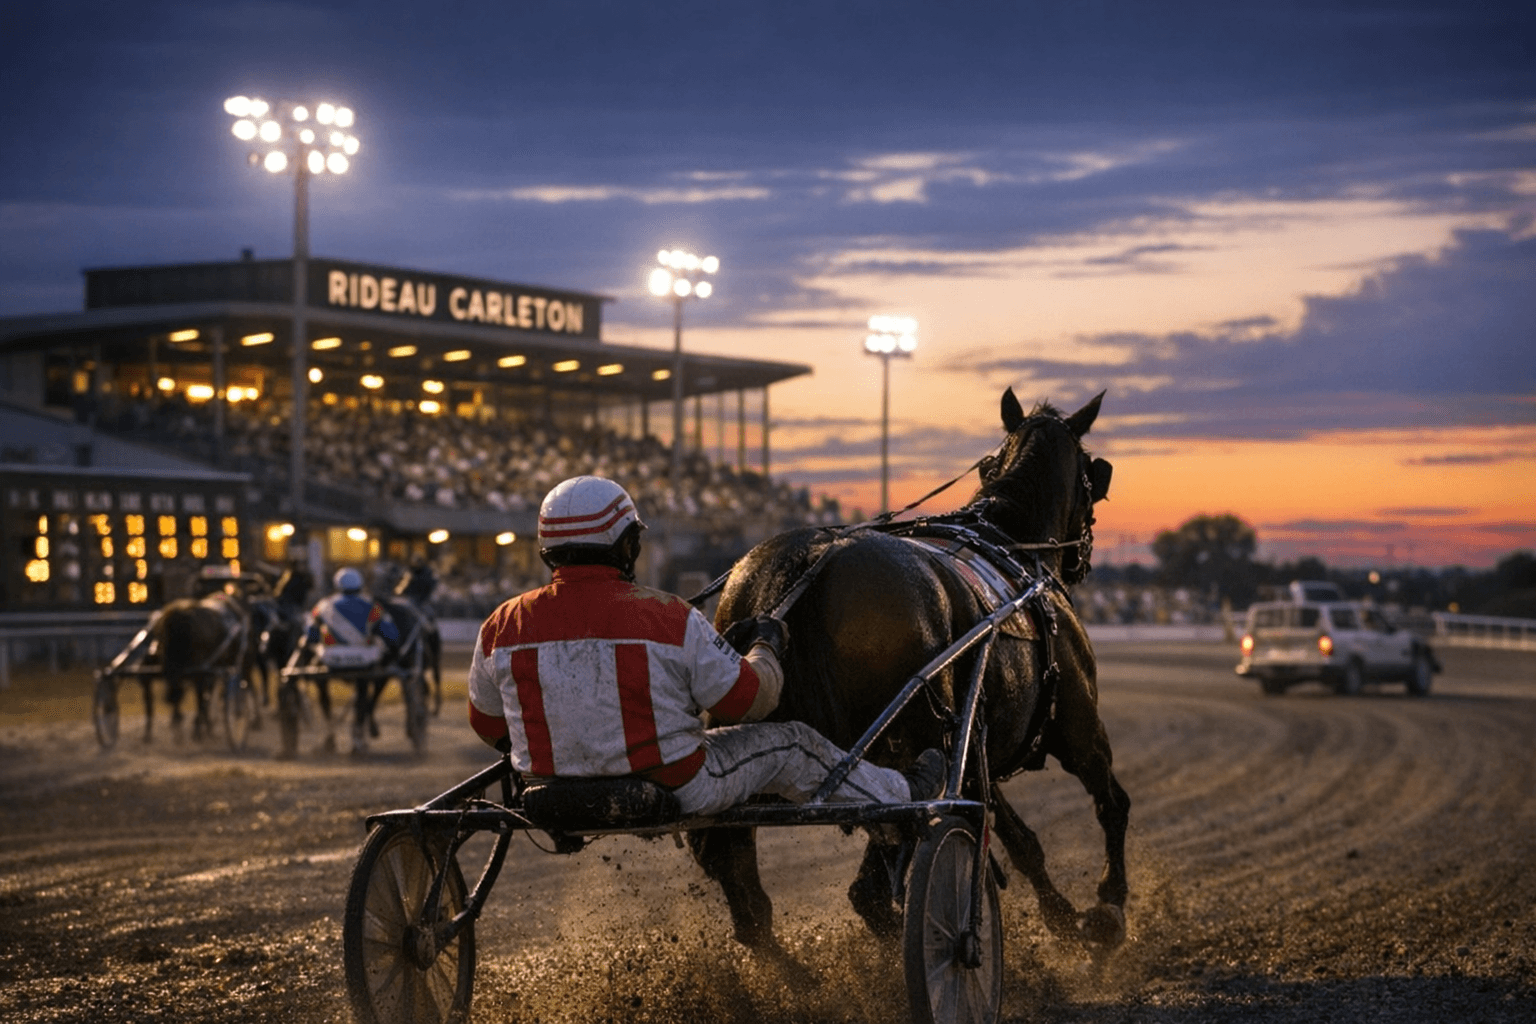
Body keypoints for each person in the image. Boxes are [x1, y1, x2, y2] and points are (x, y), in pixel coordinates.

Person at [467, 476, 943, 817]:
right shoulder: (667, 615)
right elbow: (749, 702)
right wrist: (765, 646)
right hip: (675, 784)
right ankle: (902, 794)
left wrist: (576, 746)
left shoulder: (500, 624)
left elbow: (489, 725)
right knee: (796, 743)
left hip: (546, 793)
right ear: (625, 546)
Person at [306, 566, 400, 664]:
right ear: (360, 583)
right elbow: (391, 635)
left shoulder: (323, 606)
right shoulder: (373, 606)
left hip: (331, 656)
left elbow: (311, 634)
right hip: (366, 656)